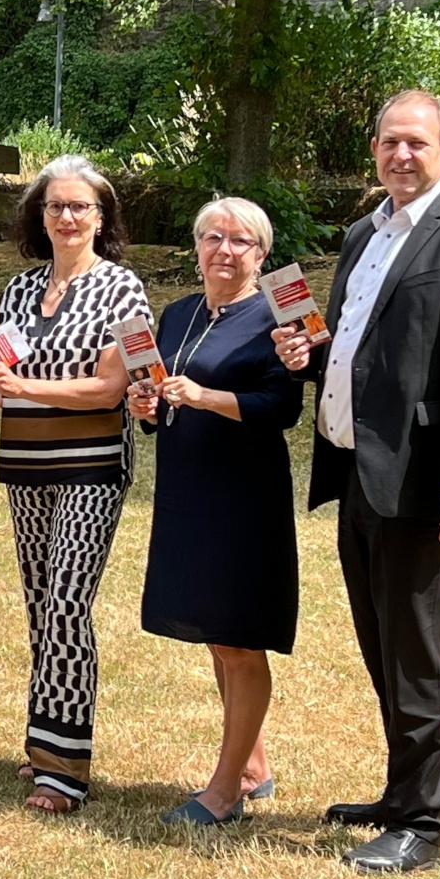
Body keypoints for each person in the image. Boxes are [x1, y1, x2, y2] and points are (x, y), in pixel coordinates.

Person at [274, 91, 440, 873]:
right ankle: (410, 792)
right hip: (359, 472)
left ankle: (420, 825)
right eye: (390, 142)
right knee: (381, 643)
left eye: (417, 142)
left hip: (423, 482)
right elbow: (362, 350)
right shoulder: (365, 233)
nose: (401, 155)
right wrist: (311, 358)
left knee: (415, 651)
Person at [0, 154, 151, 814]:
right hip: (26, 464)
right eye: (55, 205)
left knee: (67, 602)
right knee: (41, 606)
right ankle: (44, 741)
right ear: (40, 216)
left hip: (93, 466)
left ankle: (64, 769)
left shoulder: (122, 289)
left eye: (79, 206)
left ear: (101, 217)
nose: (67, 216)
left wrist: (19, 386)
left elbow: (110, 389)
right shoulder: (17, 292)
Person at [126, 197, 302, 827]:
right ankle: (253, 767)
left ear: (262, 254)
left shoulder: (275, 319)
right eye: (213, 238)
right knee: (215, 632)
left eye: (241, 241)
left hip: (243, 494)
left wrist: (204, 396)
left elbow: (281, 408)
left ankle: (225, 792)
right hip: (187, 489)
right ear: (197, 247)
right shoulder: (176, 314)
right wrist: (148, 407)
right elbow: (156, 391)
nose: (225, 250)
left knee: (239, 638)